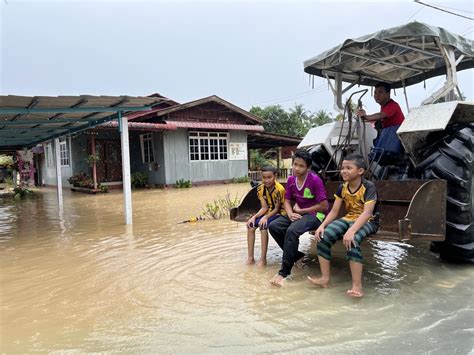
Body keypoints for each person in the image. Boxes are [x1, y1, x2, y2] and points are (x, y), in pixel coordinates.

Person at [308, 153, 378, 298]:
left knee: (351, 240)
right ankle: (325, 279)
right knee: (323, 237)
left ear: (360, 171)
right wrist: (322, 226)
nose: (344, 171)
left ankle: (357, 286)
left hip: (369, 220)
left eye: (348, 168)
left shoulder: (369, 187)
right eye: (342, 168)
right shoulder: (342, 187)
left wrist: (351, 231)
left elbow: (367, 213)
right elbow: (334, 212)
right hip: (348, 218)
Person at [269, 150, 329, 286]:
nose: (296, 168)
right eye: (295, 164)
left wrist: (302, 211)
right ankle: (296, 256)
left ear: (308, 167)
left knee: (292, 231)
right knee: (274, 226)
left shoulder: (315, 180)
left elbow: (324, 206)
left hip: (316, 215)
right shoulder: (291, 180)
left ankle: (284, 273)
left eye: (301, 166)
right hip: (299, 213)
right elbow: (287, 200)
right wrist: (290, 213)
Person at [246, 166, 286, 267]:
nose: (267, 180)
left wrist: (265, 218)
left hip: (279, 213)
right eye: (264, 177)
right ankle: (250, 258)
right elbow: (264, 208)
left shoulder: (279, 189)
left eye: (269, 177)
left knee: (263, 225)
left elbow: (277, 209)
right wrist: (254, 217)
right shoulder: (260, 188)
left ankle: (263, 259)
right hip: (268, 212)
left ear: (275, 176)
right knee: (250, 225)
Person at [356, 82, 405, 162]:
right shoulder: (384, 106)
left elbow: (381, 115)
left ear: (388, 94)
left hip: (395, 139)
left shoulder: (393, 105)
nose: (376, 95)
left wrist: (366, 116)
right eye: (375, 92)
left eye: (380, 92)